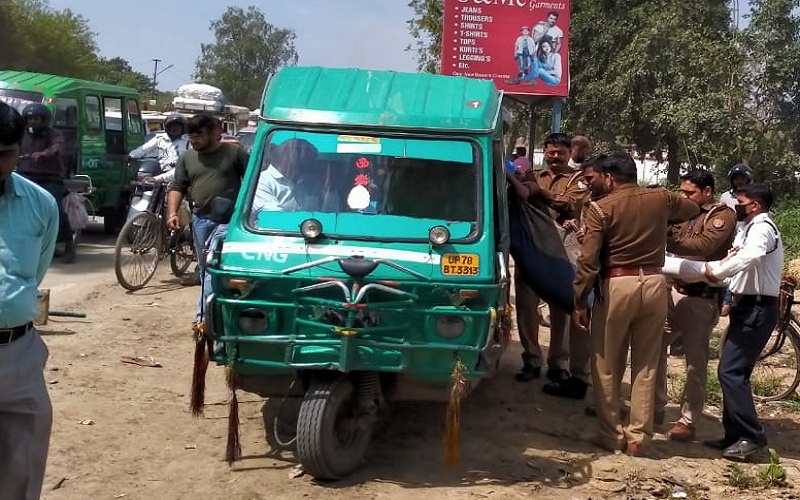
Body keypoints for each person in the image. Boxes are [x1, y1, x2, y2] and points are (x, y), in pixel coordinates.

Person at [572, 152, 699, 456]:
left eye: (598, 177)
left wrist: (579, 299)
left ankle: (611, 434)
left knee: (605, 363)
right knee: (646, 363)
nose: (595, 182)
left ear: (611, 177)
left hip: (617, 285)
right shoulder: (661, 199)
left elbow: (588, 261)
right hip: (655, 283)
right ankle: (638, 438)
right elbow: (692, 207)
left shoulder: (600, 209)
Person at [0, 101, 59, 500]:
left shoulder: (41, 205)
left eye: (3, 155)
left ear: (19, 150)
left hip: (18, 354)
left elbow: (34, 275)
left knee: (20, 470)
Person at [701, 183, 783, 462]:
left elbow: (750, 256)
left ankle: (752, 436)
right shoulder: (748, 228)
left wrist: (718, 272)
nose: (736, 205)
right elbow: (737, 256)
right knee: (735, 372)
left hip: (757, 308)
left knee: (730, 371)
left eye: (741, 202)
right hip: (746, 305)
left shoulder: (762, 228)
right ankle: (735, 434)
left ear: (755, 206)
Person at [654, 170, 736, 442]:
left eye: (690, 193)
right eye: (682, 191)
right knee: (653, 348)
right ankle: (654, 407)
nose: (684, 197)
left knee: (694, 363)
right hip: (672, 290)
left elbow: (702, 246)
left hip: (700, 298)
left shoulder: (722, 216)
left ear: (708, 191)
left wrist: (666, 236)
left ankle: (688, 421)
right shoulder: (683, 213)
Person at [506, 133, 589, 388]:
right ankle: (531, 359)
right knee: (527, 307)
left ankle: (558, 364)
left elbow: (572, 203)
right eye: (551, 152)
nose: (555, 157)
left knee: (561, 311)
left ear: (568, 153)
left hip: (561, 253)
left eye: (560, 153)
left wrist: (537, 191)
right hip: (532, 250)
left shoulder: (578, 180)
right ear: (545, 151)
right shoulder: (533, 174)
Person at [167, 114, 248, 309]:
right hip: (201, 219)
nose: (194, 141)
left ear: (214, 133)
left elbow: (253, 182)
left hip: (229, 221)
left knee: (214, 266)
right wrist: (172, 213)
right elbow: (178, 186)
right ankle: (213, 311)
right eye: (191, 137)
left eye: (199, 136)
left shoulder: (234, 154)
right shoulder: (187, 158)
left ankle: (203, 316)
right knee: (205, 268)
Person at [16, 103, 74, 262]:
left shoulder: (54, 134)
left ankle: (68, 243)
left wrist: (44, 153)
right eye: (30, 119)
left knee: (54, 206)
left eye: (36, 118)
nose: (33, 122)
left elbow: (57, 148)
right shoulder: (20, 134)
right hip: (24, 176)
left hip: (49, 177)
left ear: (44, 120)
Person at [719, 163, 754, 316]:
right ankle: (724, 300)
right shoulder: (725, 197)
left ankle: (732, 301)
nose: (739, 181)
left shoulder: (754, 195)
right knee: (726, 269)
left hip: (747, 237)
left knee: (740, 269)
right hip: (728, 237)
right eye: (736, 178)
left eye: (742, 178)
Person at [252, 138, 319, 212]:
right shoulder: (262, 181)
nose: (306, 166)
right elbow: (275, 216)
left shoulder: (309, 181)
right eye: (300, 159)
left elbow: (325, 208)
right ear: (283, 157)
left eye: (309, 161)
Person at [129, 113, 191, 182]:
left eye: (178, 126)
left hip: (180, 174)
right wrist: (130, 156)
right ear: (167, 127)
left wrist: (156, 179)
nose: (175, 128)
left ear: (183, 128)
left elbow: (187, 164)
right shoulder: (160, 138)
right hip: (162, 172)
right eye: (172, 126)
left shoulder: (189, 141)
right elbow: (143, 149)